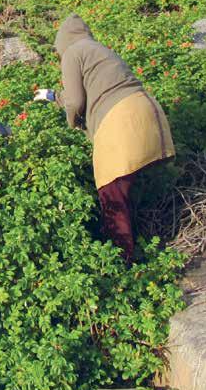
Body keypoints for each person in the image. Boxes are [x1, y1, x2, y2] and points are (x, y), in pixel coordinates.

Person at [35, 14, 175, 263]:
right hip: (148, 115)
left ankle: (123, 266)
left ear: (62, 42)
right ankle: (144, 247)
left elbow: (76, 101)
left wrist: (72, 123)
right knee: (126, 191)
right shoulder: (99, 49)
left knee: (111, 197)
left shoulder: (72, 53)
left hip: (120, 121)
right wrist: (54, 96)